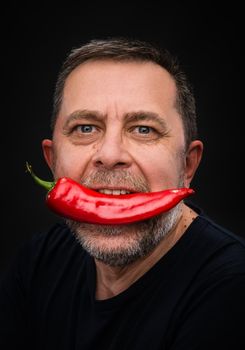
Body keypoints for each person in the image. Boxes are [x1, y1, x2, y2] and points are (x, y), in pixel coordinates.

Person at [1, 37, 244, 350]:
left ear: (187, 165)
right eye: (85, 128)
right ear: (53, 161)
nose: (110, 154)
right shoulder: (38, 262)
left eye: (144, 129)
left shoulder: (232, 291)